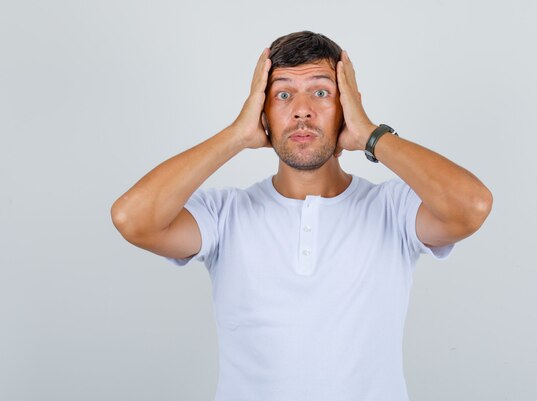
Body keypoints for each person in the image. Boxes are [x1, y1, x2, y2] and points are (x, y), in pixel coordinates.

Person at [111, 31, 493, 401]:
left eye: (322, 92)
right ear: (261, 112)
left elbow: (470, 207)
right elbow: (133, 219)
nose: (302, 109)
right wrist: (236, 136)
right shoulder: (224, 215)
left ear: (349, 106)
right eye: (282, 94)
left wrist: (371, 135)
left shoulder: (393, 209)